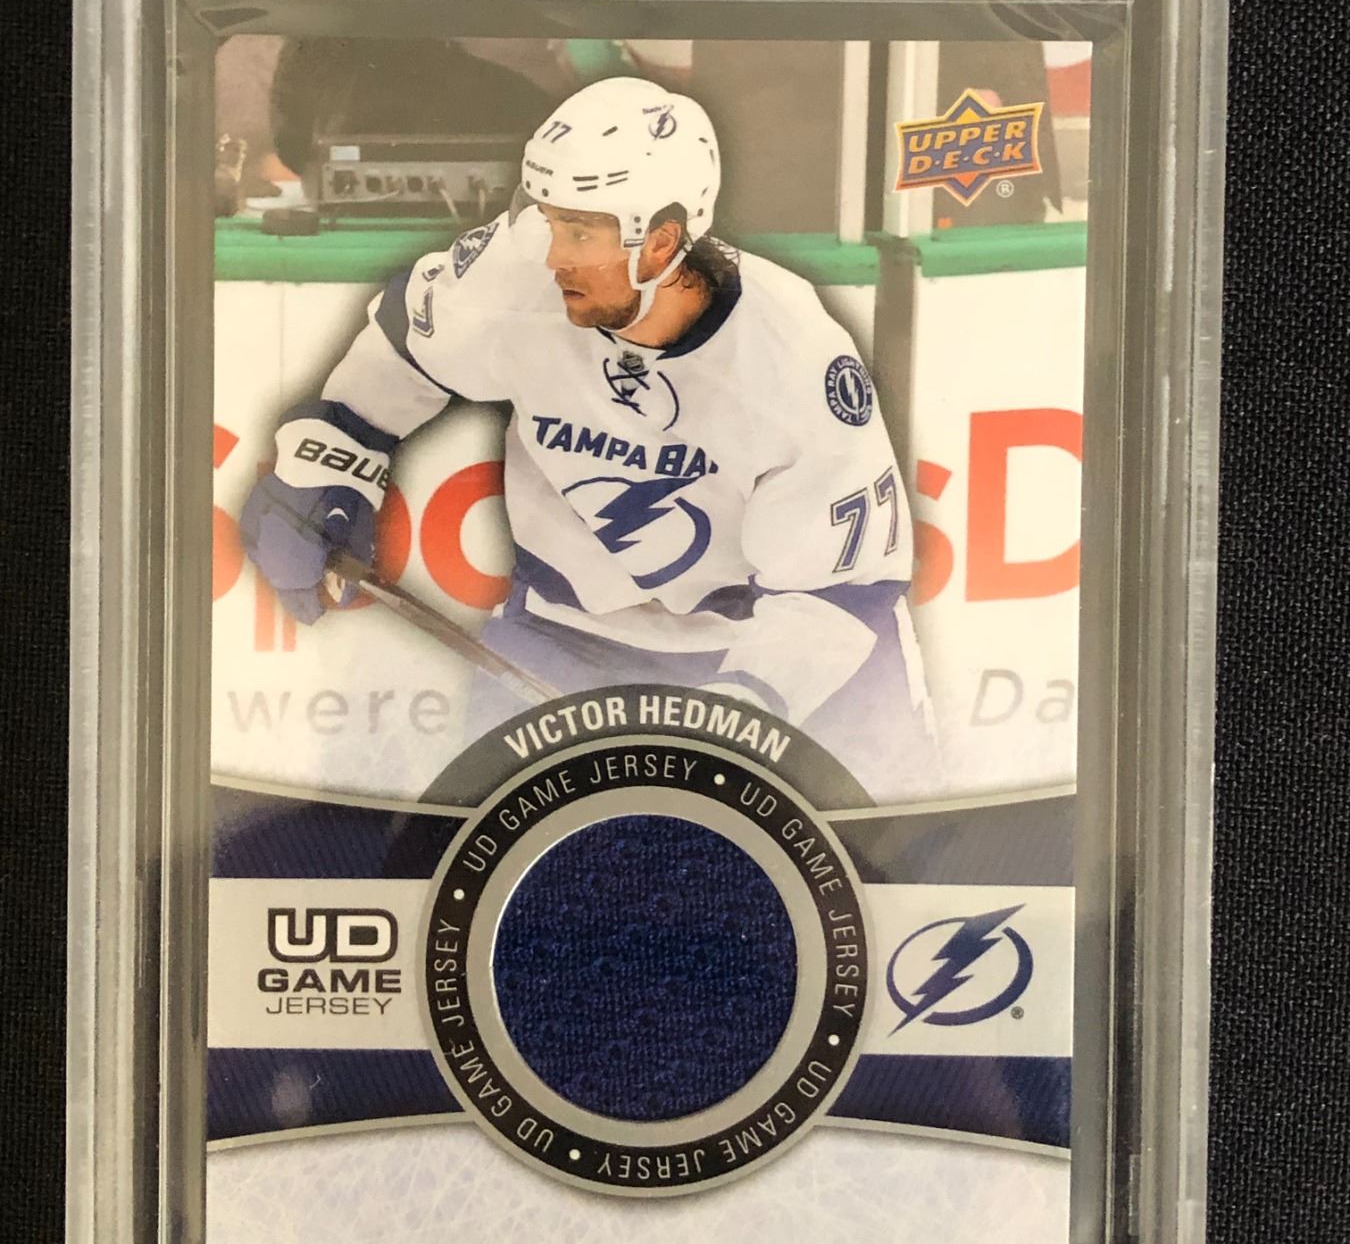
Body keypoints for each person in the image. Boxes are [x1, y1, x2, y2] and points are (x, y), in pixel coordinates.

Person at [240, 76, 936, 802]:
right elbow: (404, 350)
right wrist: (329, 461)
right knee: (489, 845)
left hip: (778, 643)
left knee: (885, 850)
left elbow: (839, 594)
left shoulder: (792, 357)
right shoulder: (516, 273)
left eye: (579, 232)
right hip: (564, 634)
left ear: (661, 242)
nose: (551, 256)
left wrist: (739, 716)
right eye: (545, 219)